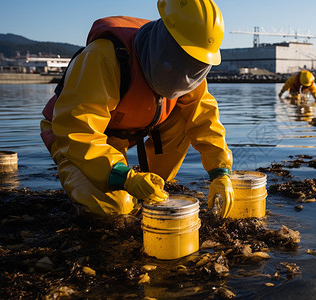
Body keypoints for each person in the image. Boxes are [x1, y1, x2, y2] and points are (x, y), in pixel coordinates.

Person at [39, 0, 234, 219]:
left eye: (196, 64)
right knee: (117, 207)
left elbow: (205, 120)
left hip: (127, 130)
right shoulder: (103, 58)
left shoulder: (187, 73)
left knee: (159, 186)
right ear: (165, 42)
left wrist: (220, 174)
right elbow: (78, 132)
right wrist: (126, 178)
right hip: (73, 136)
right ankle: (100, 181)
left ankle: (150, 182)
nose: (189, 72)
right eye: (185, 58)